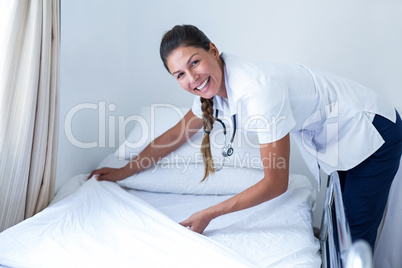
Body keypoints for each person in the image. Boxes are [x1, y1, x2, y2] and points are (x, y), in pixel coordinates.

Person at [89, 24, 402, 250]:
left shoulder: (258, 90)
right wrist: (123, 171)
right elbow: (177, 134)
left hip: (371, 132)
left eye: (194, 62)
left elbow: (275, 183)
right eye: (180, 74)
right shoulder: (210, 92)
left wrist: (209, 214)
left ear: (213, 49)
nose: (191, 78)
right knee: (338, 226)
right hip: (335, 136)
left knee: (354, 237)